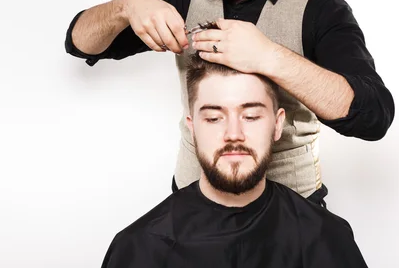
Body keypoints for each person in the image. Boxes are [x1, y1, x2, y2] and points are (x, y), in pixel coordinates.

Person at [65, 0, 395, 205]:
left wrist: (269, 57)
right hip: (192, 208)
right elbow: (79, 43)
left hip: (292, 216)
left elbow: (374, 116)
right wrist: (126, 5)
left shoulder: (320, 9)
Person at [100, 56, 368, 268]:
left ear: (277, 125)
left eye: (251, 116)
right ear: (192, 128)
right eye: (214, 118)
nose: (233, 135)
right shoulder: (140, 248)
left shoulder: (325, 237)